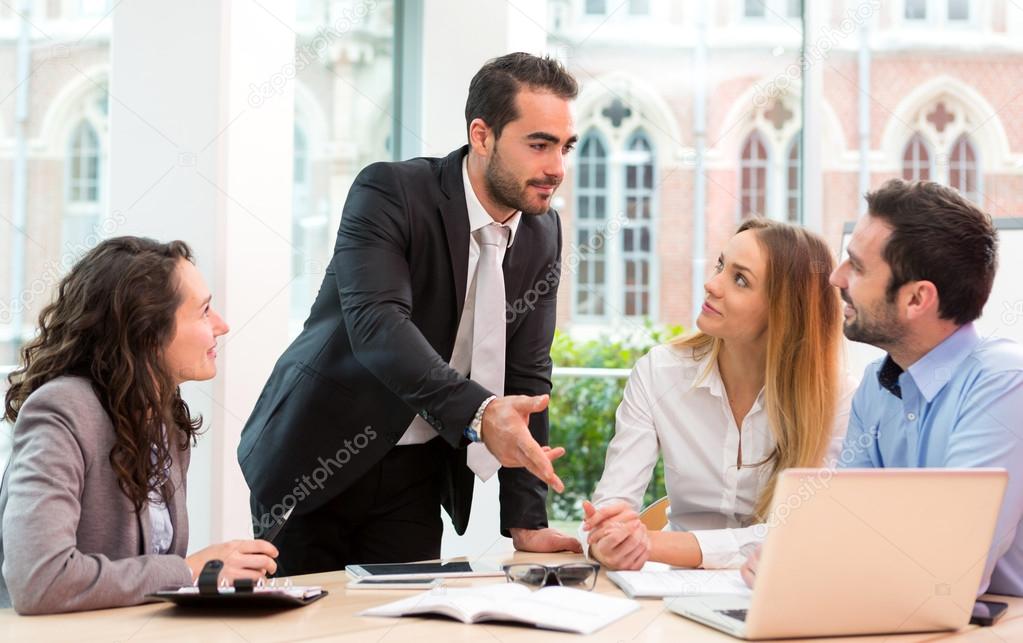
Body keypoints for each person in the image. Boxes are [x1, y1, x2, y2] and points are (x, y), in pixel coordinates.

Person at [238, 52, 582, 575]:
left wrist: (527, 521)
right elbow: (379, 327)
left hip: (418, 471)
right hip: (316, 456)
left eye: (564, 146)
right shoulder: (390, 192)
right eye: (539, 144)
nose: (556, 167)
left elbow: (527, 375)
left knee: (404, 623)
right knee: (302, 625)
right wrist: (482, 413)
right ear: (483, 136)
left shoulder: (543, 232)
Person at [742, 179, 1023, 597]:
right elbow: (848, 528)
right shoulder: (876, 385)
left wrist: (818, 563)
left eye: (856, 266)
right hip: (898, 614)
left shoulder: (1004, 384)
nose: (835, 278)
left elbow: (950, 570)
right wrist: (796, 556)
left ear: (916, 299)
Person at [0, 237, 278, 615]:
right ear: (147, 331)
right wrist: (191, 571)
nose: (222, 325)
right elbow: (40, 581)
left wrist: (216, 579)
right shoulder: (62, 410)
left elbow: (143, 583)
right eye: (204, 311)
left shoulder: (168, 424)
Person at [582, 218, 854, 571]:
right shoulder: (659, 372)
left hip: (777, 590)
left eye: (740, 280)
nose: (711, 285)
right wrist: (607, 537)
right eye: (721, 266)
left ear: (785, 310)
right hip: (668, 588)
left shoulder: (838, 397)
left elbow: (801, 533)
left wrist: (654, 543)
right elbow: (613, 502)